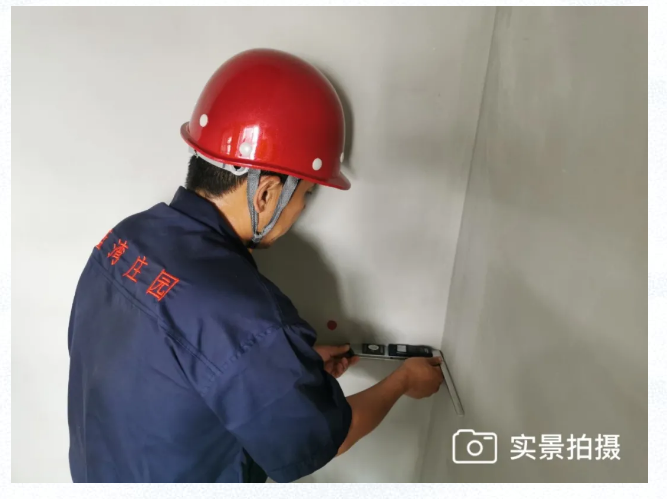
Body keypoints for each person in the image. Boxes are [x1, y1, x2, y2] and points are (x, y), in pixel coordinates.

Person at [67, 48, 444, 483]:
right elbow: (324, 439)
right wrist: (403, 382)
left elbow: (166, 363)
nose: (302, 209)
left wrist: (282, 370)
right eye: (307, 195)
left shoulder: (124, 239)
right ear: (266, 194)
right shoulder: (250, 319)